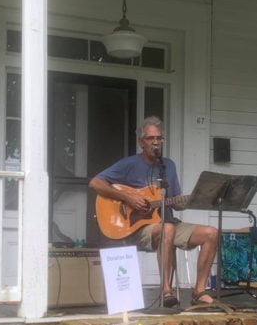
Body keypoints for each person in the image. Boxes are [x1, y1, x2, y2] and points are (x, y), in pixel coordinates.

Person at [89, 117, 218, 307]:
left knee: (211, 233)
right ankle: (166, 291)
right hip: (139, 228)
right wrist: (128, 198)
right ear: (142, 142)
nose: (156, 142)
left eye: (159, 138)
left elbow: (175, 202)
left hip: (168, 222)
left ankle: (199, 291)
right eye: (150, 138)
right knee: (167, 229)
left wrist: (189, 201)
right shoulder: (129, 164)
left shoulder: (168, 166)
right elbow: (95, 183)